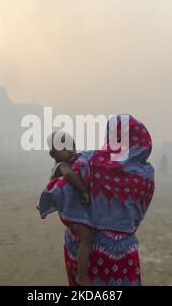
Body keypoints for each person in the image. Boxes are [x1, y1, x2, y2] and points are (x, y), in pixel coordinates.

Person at [38, 114, 155, 286]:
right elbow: (138, 212)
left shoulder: (90, 160)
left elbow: (57, 192)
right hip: (124, 251)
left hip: (84, 250)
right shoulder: (147, 174)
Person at [47, 131, 92, 286]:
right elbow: (69, 175)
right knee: (86, 237)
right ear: (53, 154)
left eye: (72, 145)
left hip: (69, 211)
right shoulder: (63, 166)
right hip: (69, 212)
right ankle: (82, 275)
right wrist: (83, 190)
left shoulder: (63, 162)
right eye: (64, 147)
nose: (71, 150)